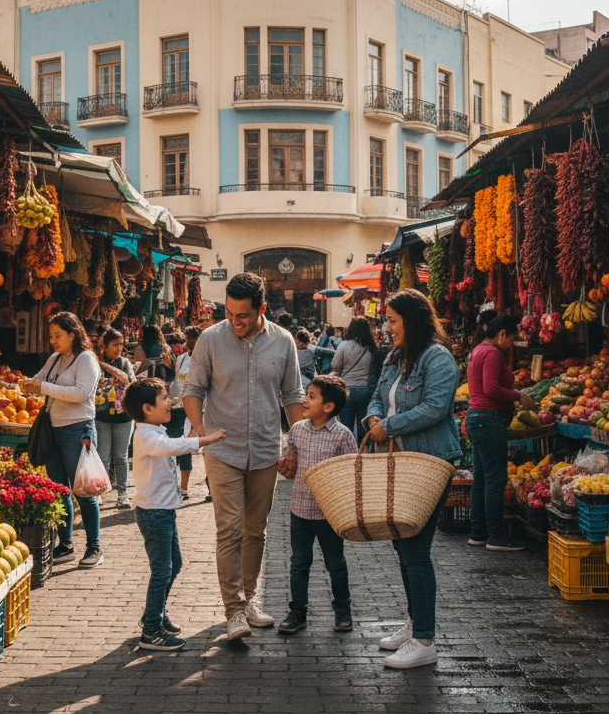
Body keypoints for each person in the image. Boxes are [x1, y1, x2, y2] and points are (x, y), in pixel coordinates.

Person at [183, 272, 305, 641]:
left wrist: (296, 444)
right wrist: (200, 430)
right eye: (230, 313)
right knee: (229, 529)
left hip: (267, 449)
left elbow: (293, 398)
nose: (235, 322)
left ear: (262, 309)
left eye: (244, 316)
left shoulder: (283, 342)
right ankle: (233, 610)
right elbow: (193, 390)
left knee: (256, 531)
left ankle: (249, 600)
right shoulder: (210, 339)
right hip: (222, 449)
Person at [364, 288, 462, 669]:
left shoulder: (437, 358)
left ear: (413, 319)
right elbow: (376, 395)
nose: (387, 328)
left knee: (416, 549)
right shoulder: (394, 356)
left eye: (392, 320)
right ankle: (414, 623)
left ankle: (424, 640)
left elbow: (435, 408)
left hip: (429, 461)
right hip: (397, 463)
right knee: (402, 546)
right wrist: (373, 418)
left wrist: (387, 425)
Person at [124, 377, 226, 650]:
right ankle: (151, 632)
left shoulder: (154, 430)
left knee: (174, 565)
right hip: (154, 514)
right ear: (147, 408)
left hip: (163, 512)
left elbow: (172, 444)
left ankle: (153, 614)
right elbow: (168, 448)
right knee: (162, 571)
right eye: (164, 399)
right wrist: (204, 440)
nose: (170, 403)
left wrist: (191, 438)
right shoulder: (146, 434)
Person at [275, 374, 358, 635]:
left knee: (335, 564)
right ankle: (297, 612)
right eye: (306, 394)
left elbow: (352, 471)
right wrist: (285, 463)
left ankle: (342, 610)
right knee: (299, 562)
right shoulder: (297, 429)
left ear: (328, 406)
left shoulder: (342, 436)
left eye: (311, 396)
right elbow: (290, 458)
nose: (304, 400)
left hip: (329, 514)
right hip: (299, 508)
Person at [20, 311, 103, 568]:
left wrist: (42, 388)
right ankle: (65, 545)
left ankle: (94, 547)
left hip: (78, 431)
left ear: (72, 334)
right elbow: (39, 380)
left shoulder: (86, 359)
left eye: (58, 336)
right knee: (60, 491)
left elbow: (81, 393)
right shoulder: (56, 358)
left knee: (84, 491)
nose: (53, 341)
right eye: (50, 336)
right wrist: (22, 384)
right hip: (53, 431)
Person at [466, 310, 538, 553]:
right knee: (495, 480)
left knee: (482, 479)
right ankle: (496, 536)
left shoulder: (478, 350)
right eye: (511, 339)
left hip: (477, 419)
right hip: (489, 420)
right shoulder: (493, 353)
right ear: (503, 334)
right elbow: (491, 389)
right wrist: (519, 395)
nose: (511, 345)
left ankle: (478, 532)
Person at [95, 328, 136, 509]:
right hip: (101, 415)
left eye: (121, 344)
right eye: (115, 345)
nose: (119, 348)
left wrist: (109, 370)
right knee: (103, 457)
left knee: (120, 457)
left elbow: (130, 381)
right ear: (105, 346)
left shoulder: (124, 362)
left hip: (123, 417)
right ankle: (101, 492)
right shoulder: (94, 363)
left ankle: (122, 494)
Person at [166, 325, 201, 500]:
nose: (189, 344)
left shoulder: (205, 359)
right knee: (174, 446)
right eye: (187, 340)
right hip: (177, 406)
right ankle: (173, 485)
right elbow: (176, 380)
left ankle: (184, 488)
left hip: (195, 409)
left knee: (186, 448)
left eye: (192, 341)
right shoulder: (180, 359)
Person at [331, 316, 378, 436]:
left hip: (347, 390)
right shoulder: (371, 347)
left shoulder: (343, 345)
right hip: (366, 390)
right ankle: (362, 451)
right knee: (364, 428)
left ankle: (348, 453)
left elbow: (335, 365)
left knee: (346, 428)